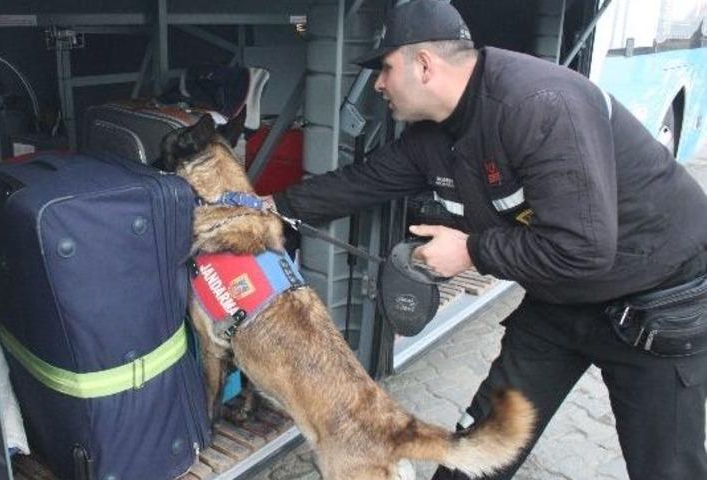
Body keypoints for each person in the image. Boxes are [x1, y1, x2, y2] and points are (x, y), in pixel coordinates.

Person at [267, 0, 707, 479]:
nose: (377, 84)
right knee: (479, 451)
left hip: (651, 307)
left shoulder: (538, 106)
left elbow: (583, 248)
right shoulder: (432, 136)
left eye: (385, 68)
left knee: (668, 468)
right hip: (558, 303)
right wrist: (268, 207)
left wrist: (470, 250)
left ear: (424, 64)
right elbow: (361, 182)